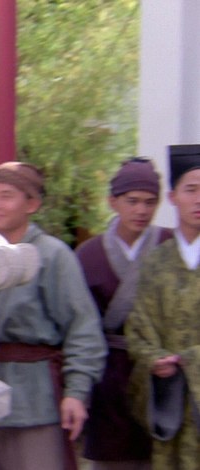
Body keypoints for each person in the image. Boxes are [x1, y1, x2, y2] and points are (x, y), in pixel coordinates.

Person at [0, 161, 107, 470]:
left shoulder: (52, 255)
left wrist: (76, 392)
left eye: (6, 196)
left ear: (32, 204)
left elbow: (83, 328)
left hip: (36, 401)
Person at [77, 158, 171, 470]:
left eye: (150, 202)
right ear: (112, 201)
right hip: (109, 376)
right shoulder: (88, 254)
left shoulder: (172, 245)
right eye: (132, 201)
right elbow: (79, 325)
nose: (141, 210)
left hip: (162, 374)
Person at [126, 147, 200, 470]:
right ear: (172, 197)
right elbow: (138, 329)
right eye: (191, 189)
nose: (198, 200)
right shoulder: (156, 261)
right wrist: (154, 359)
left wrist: (190, 359)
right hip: (170, 399)